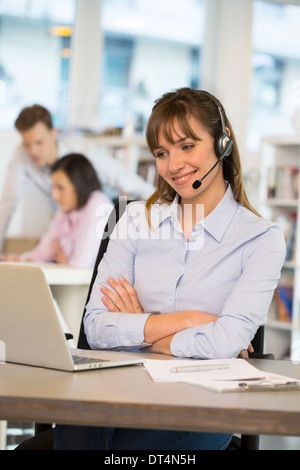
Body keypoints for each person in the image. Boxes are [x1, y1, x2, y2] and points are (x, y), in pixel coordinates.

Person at [54, 88, 286, 450]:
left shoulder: (261, 239)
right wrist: (193, 319)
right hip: (122, 390)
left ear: (222, 143)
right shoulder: (133, 219)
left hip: (204, 403)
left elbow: (226, 341)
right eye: (162, 153)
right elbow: (96, 327)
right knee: (81, 419)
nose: (172, 165)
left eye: (187, 146)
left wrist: (140, 329)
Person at [0, 104, 155, 252]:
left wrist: (165, 203)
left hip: (104, 217)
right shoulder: (22, 155)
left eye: (39, 142)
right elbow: (8, 203)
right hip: (69, 221)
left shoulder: (84, 153)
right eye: (27, 144)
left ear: (54, 133)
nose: (33, 151)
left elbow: (125, 179)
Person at [9, 153, 114, 268]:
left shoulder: (99, 204)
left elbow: (81, 266)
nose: (54, 195)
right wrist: (20, 260)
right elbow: (45, 250)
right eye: (53, 187)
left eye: (60, 187)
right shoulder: (67, 209)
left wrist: (66, 263)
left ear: (79, 184)